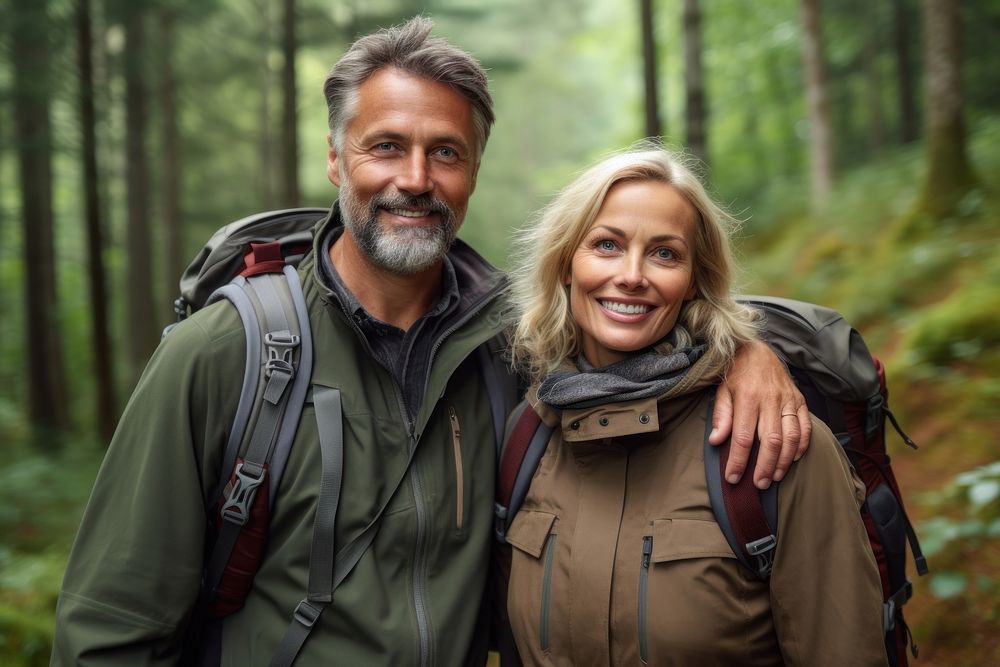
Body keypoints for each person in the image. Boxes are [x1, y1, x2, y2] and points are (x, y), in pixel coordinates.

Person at [52, 18, 808, 666]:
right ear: (334, 158)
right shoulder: (227, 352)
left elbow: (651, 319)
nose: (416, 178)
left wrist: (749, 352)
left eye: (445, 152)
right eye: (385, 146)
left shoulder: (520, 354)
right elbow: (110, 628)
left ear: (473, 169)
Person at [500, 146, 888, 666]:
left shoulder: (773, 444)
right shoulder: (527, 434)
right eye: (607, 245)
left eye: (665, 253)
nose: (633, 275)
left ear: (693, 283)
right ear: (566, 264)